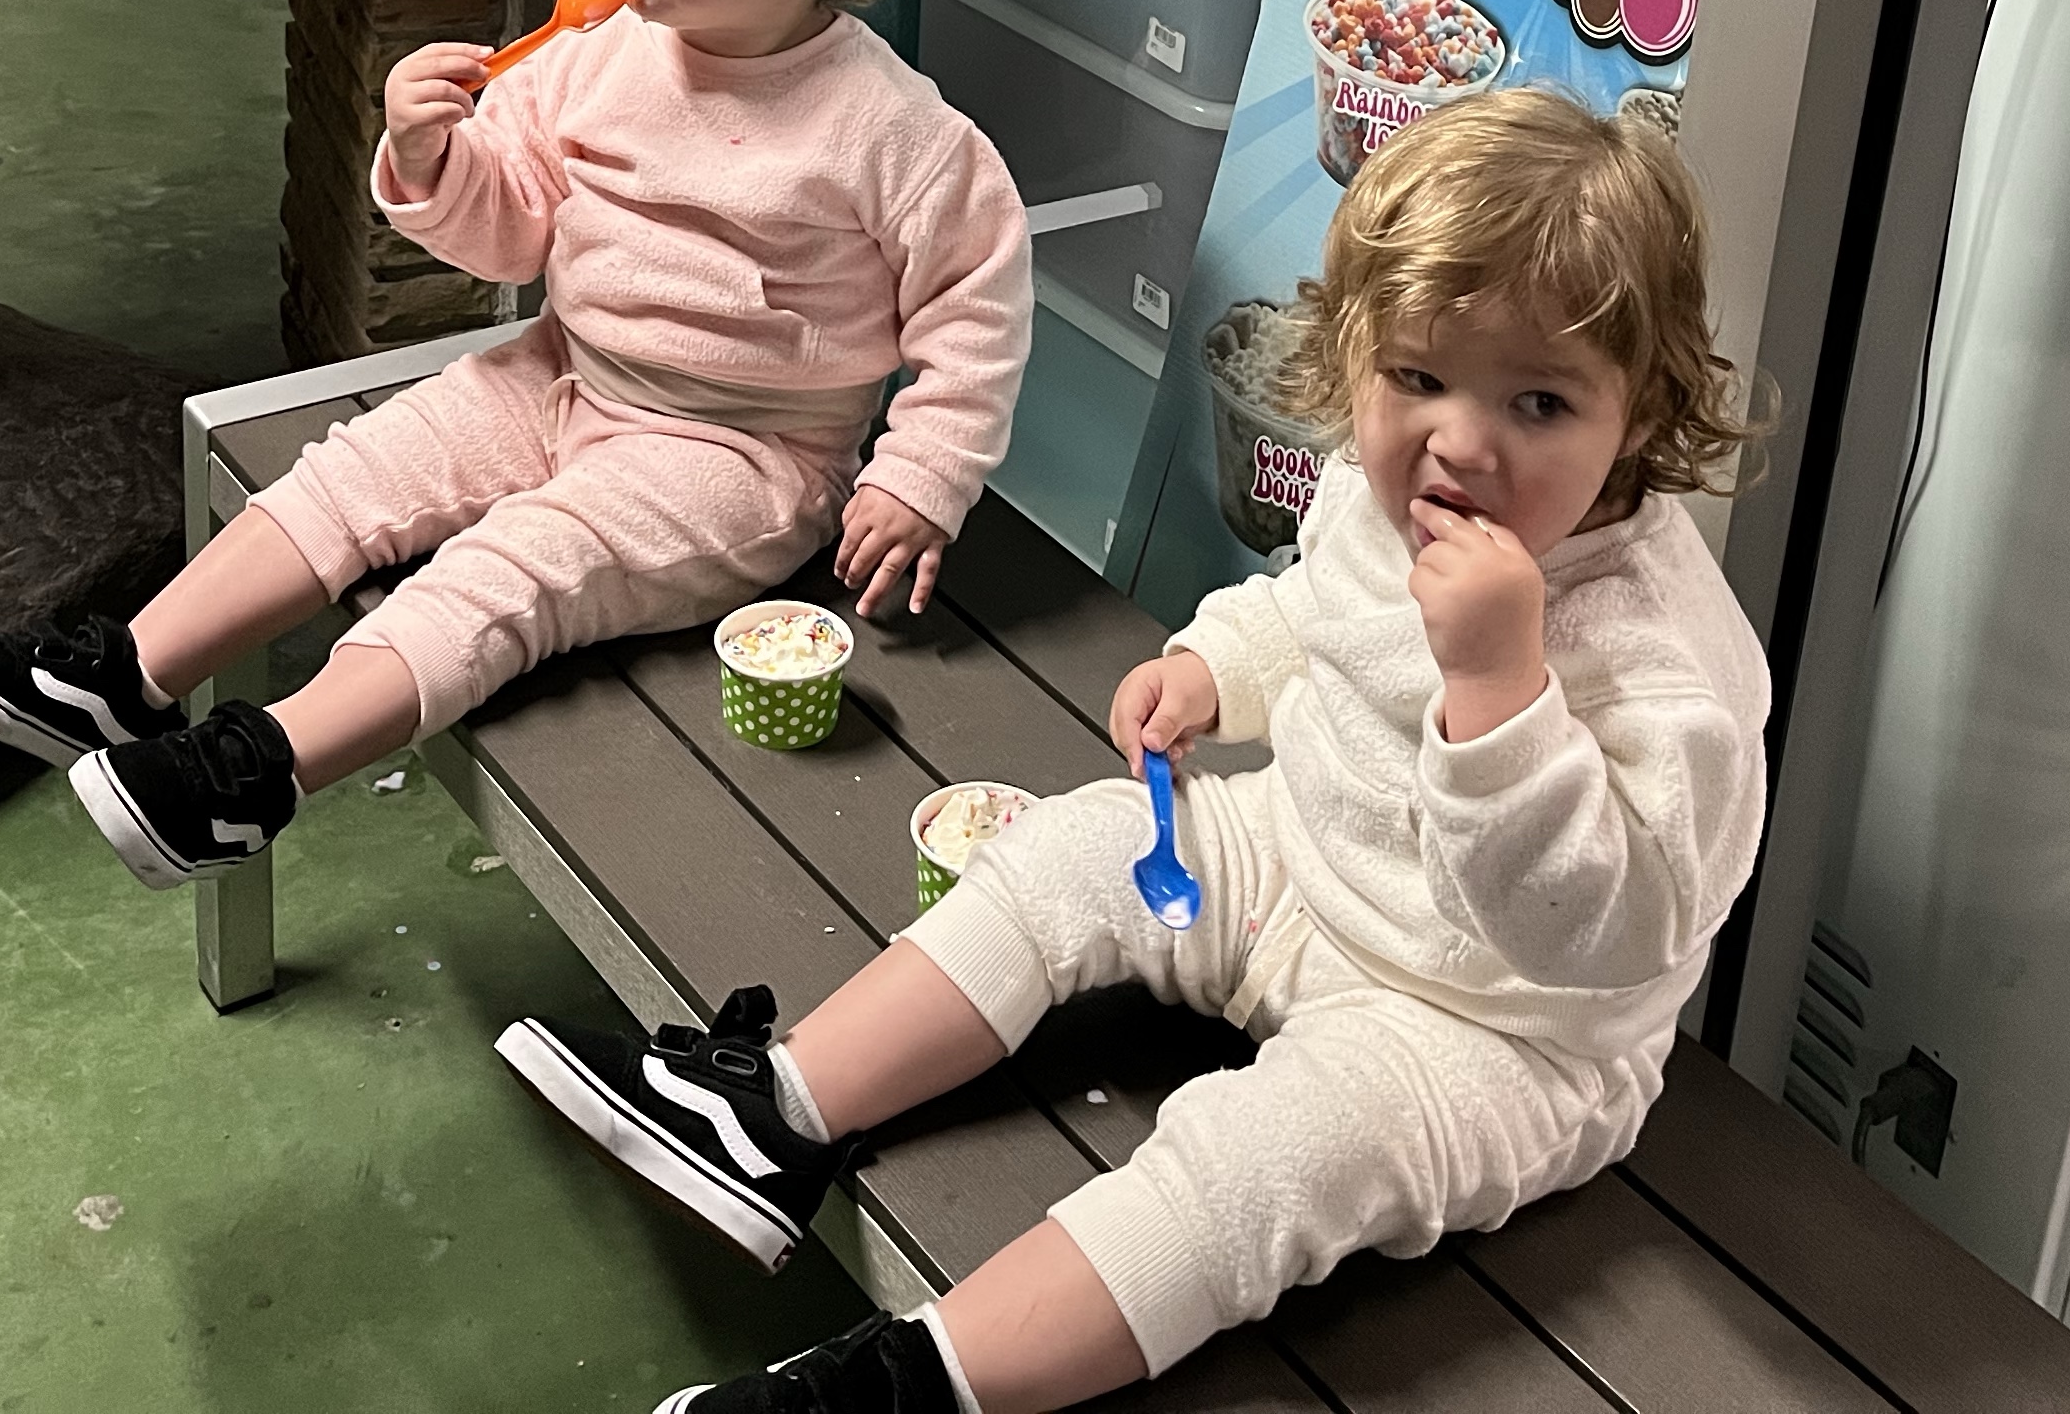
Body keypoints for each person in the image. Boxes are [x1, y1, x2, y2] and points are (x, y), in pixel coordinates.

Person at [500, 83, 1771, 1414]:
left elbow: (1608, 936)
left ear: (1643, 413)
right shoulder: (1388, 491)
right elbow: (1317, 614)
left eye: (1541, 403)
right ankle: (766, 1112)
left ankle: (906, 1388)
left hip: (1494, 1031)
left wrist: (1501, 692)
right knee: (1077, 850)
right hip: (1303, 861)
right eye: (1417, 378)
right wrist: (1214, 666)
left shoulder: (1665, 664)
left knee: (1262, 1158)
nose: (1461, 439)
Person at [0, 0, 1030, 885]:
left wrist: (919, 477)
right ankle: (119, 676)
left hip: (742, 453)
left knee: (516, 565)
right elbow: (513, 235)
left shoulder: (891, 132)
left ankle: (253, 778)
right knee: (358, 469)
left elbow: (977, 308)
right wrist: (434, 156)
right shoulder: (594, 51)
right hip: (559, 370)